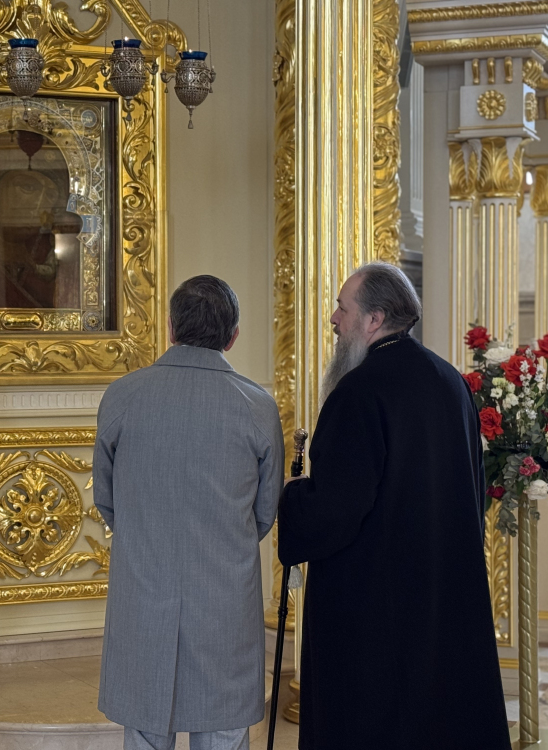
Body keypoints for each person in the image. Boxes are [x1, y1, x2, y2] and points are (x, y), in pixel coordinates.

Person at [277, 262, 510, 749]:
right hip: (442, 592)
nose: (334, 320)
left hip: (373, 611)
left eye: (342, 309)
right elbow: (472, 486)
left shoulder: (358, 391)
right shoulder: (450, 381)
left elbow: (337, 509)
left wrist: (294, 498)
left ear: (374, 319)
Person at [93, 275, 284, 750]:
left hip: (144, 589)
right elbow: (265, 512)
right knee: (223, 731)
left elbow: (107, 498)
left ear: (171, 328)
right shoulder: (258, 406)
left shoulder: (122, 395)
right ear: (233, 336)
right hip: (225, 597)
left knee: (145, 730)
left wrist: (148, 536)